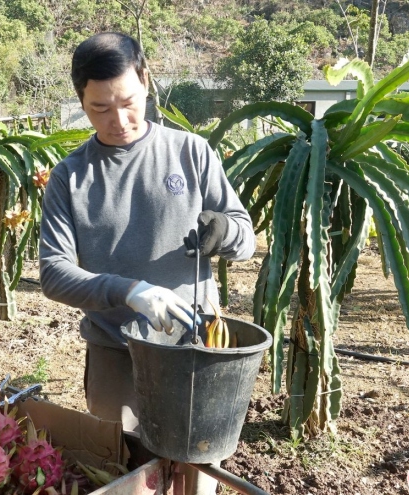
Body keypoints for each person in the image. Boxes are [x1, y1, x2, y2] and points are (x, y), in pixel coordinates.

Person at [38, 32, 255, 494]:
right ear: (81, 100)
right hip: (117, 353)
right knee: (126, 474)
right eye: (99, 108)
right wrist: (129, 291)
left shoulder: (191, 152)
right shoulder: (70, 178)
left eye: (128, 102)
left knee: (197, 472)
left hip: (197, 352)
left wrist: (226, 231)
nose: (118, 120)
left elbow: (245, 236)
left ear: (146, 80)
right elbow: (54, 272)